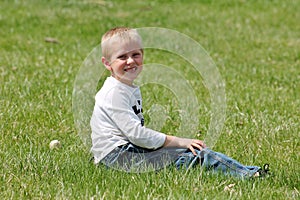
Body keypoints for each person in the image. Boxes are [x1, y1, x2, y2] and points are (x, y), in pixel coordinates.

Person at [90, 27, 269, 178]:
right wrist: (179, 141)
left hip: (118, 153)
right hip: (119, 156)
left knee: (179, 153)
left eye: (135, 54)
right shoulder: (114, 93)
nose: (130, 61)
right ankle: (249, 174)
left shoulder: (124, 87)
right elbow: (137, 135)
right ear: (107, 64)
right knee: (194, 155)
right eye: (122, 57)